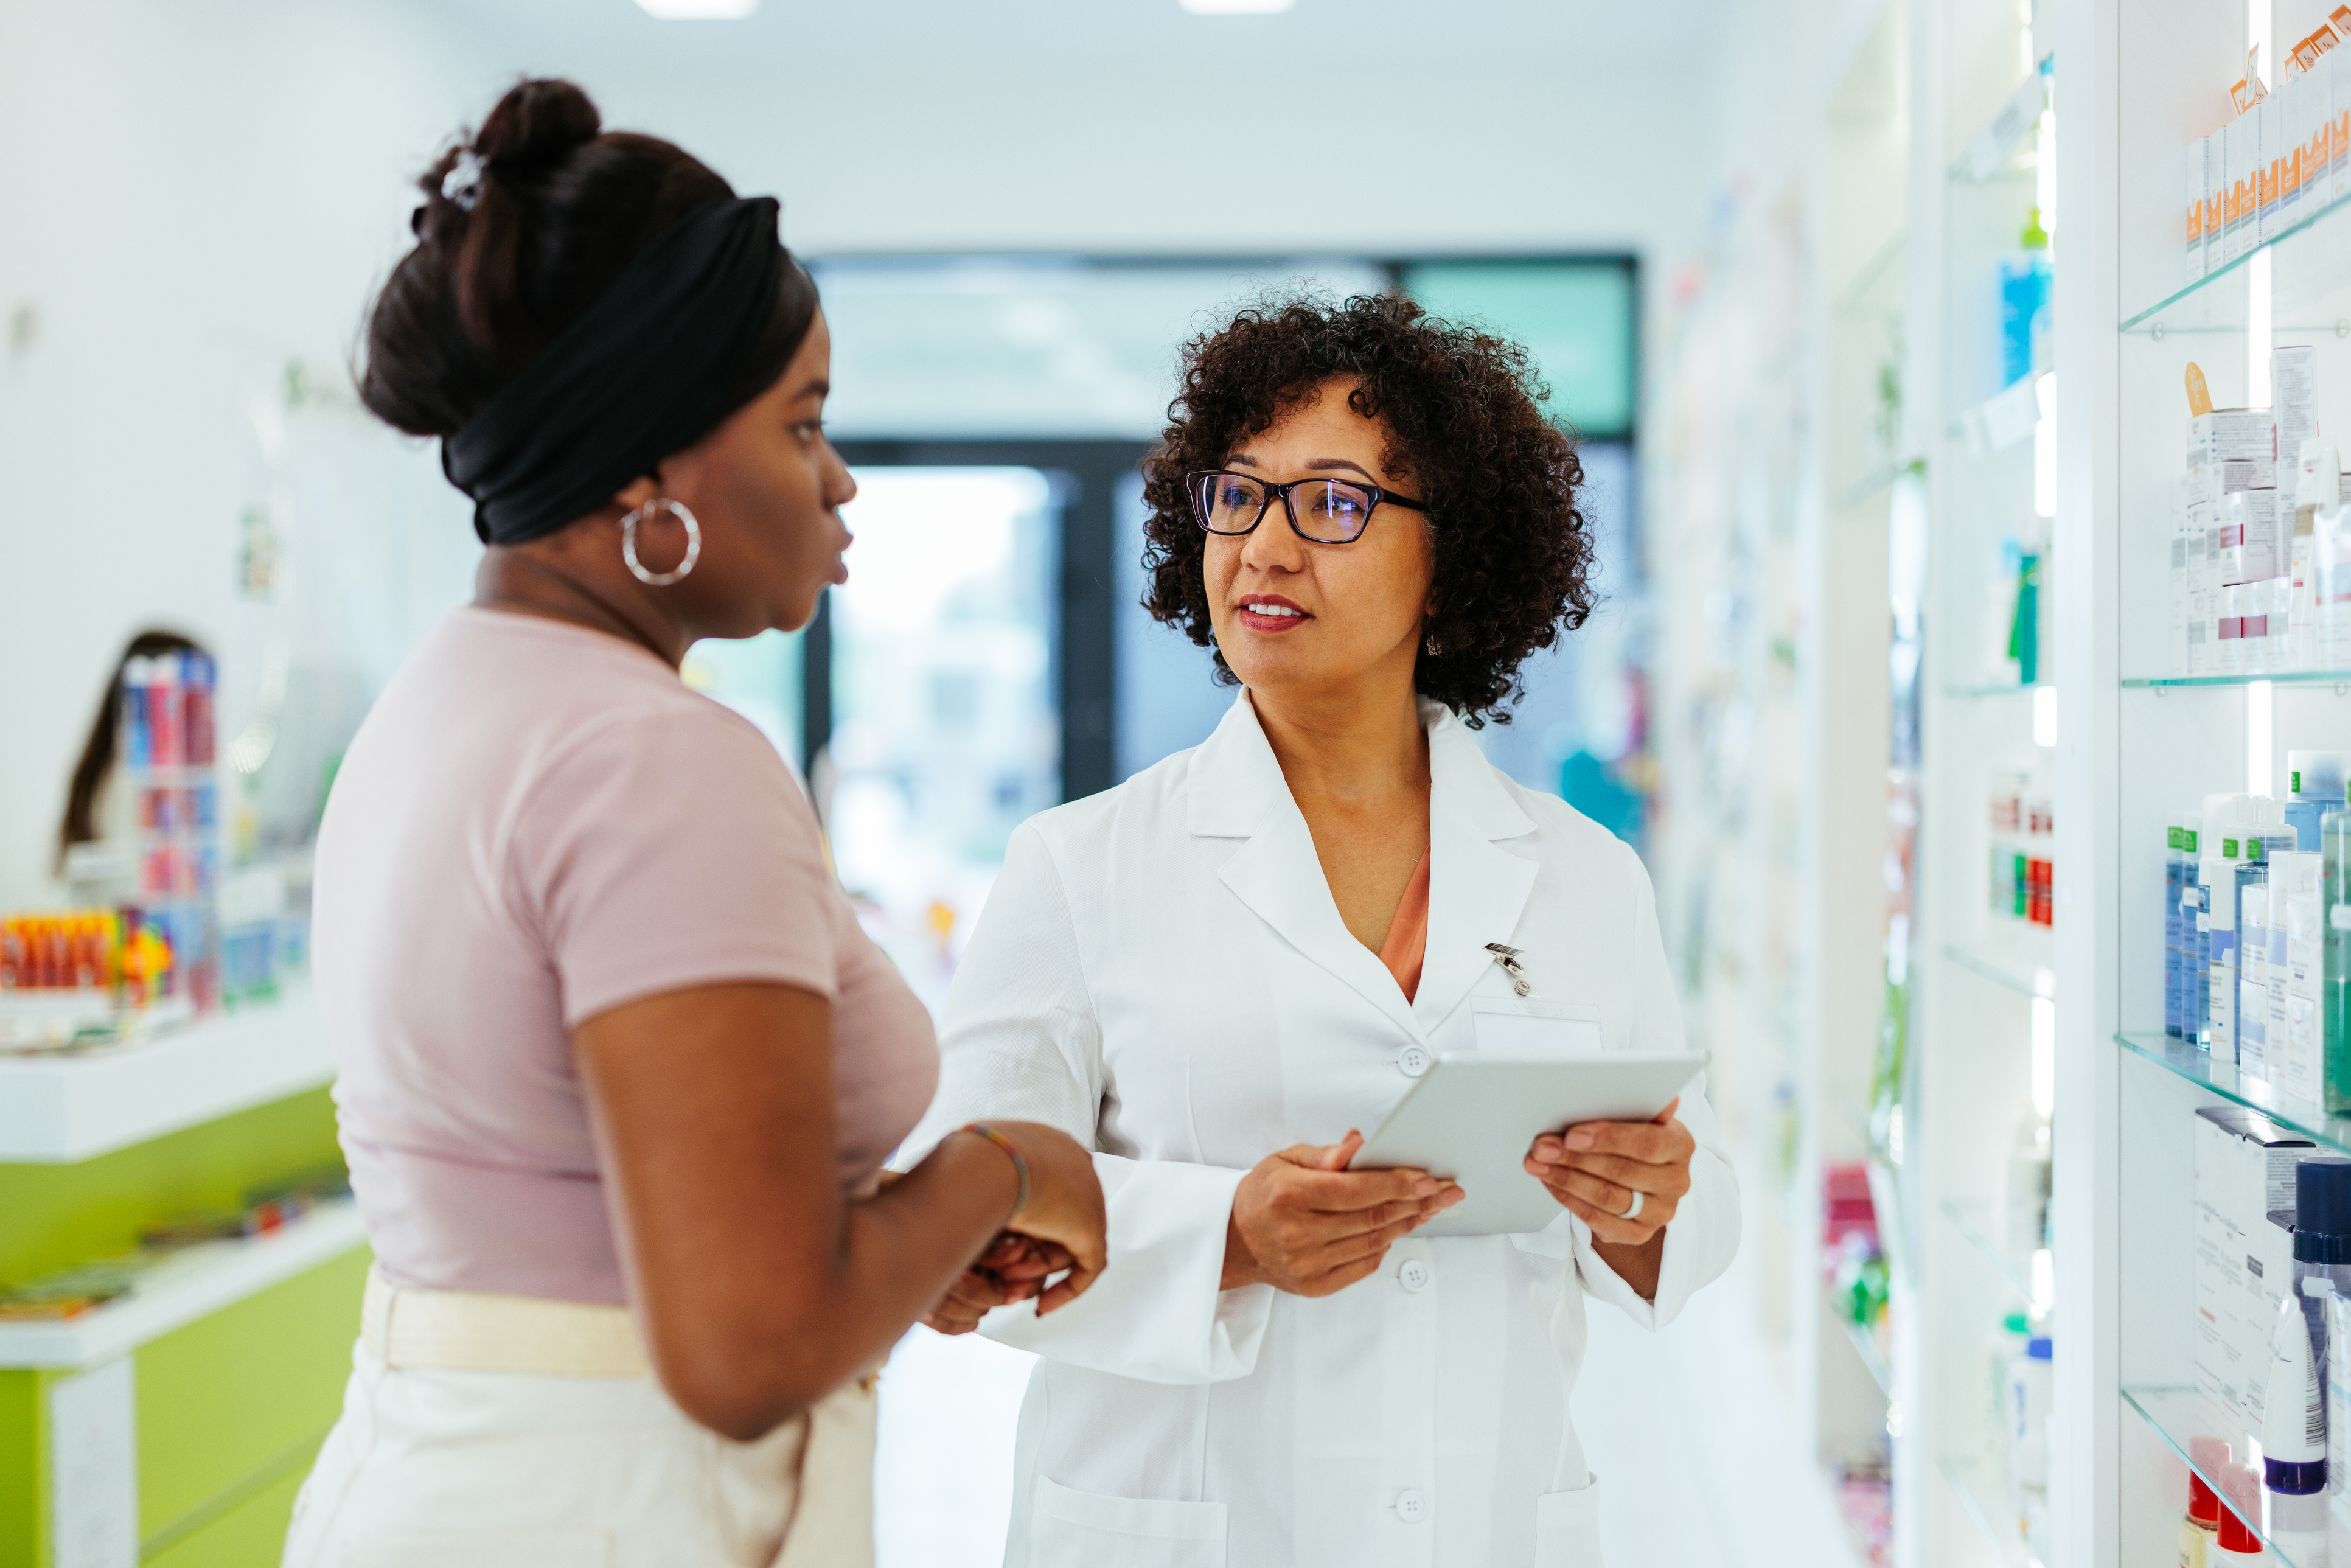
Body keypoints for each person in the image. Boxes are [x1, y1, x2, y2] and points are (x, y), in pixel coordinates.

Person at [285, 80, 1104, 1568]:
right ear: (649, 471)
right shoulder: (653, 759)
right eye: (803, 425)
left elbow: (613, 1232)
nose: (842, 480)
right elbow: (743, 1349)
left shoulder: (437, 709)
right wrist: (1005, 1161)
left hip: (431, 1484)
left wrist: (887, 1253)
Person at [908, 294, 1740, 1567]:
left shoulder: (1586, 876)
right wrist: (1224, 1236)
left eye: (1335, 503)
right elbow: (961, 1219)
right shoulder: (1080, 865)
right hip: (1181, 1524)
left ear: (1451, 556)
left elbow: (1690, 1191)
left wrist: (1647, 1203)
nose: (1267, 547)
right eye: (1238, 495)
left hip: (1485, 1519)